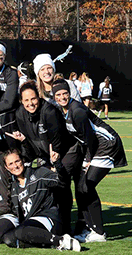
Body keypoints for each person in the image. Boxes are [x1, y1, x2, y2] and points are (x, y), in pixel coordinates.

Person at [53, 81, 127, 243]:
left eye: (64, 93)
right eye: (58, 95)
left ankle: (98, 232)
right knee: (81, 188)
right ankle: (90, 228)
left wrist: (87, 160)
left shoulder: (77, 111)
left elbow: (90, 138)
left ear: (69, 93)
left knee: (87, 185)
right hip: (96, 147)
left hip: (107, 145)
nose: (62, 97)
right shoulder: (63, 110)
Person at [8, 81, 80, 234]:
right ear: (21, 101)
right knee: (45, 185)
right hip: (44, 153)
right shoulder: (20, 113)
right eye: (26, 100)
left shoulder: (49, 112)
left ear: (39, 97)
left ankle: (66, 227)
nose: (30, 103)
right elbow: (30, 146)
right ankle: (50, 223)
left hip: (65, 151)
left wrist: (53, 164)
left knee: (61, 183)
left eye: (33, 99)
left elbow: (58, 143)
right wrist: (24, 147)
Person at [1, 149, 81, 251]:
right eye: (10, 164)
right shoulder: (13, 188)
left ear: (22, 160)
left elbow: (62, 182)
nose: (15, 166)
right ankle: (47, 242)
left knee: (20, 231)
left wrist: (57, 164)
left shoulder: (39, 173)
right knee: (9, 239)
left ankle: (61, 241)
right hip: (31, 224)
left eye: (17, 161)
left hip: (48, 217)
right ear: (6, 167)